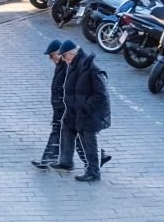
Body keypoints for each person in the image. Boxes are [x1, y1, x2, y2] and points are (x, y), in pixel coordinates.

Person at [53, 44, 112, 182]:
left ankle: (94, 172)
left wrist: (85, 108)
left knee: (88, 142)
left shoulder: (92, 69)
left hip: (89, 114)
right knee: (66, 129)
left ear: (72, 53)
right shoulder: (74, 65)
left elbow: (102, 95)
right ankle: (66, 161)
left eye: (64, 56)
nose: (63, 59)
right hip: (75, 111)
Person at [31, 40, 72, 170]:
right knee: (66, 134)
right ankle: (58, 161)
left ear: (58, 53)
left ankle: (47, 161)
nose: (50, 58)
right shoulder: (60, 66)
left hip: (65, 108)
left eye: (51, 55)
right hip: (60, 107)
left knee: (62, 133)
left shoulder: (67, 67)